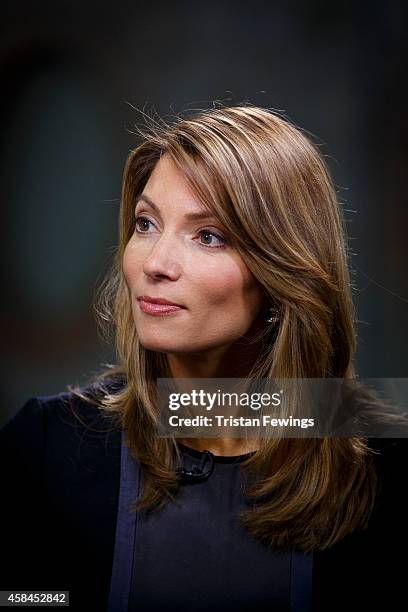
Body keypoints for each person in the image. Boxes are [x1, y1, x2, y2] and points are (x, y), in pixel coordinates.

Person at [1, 105, 407, 612]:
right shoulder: (47, 444)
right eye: (146, 223)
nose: (154, 264)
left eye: (207, 236)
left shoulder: (382, 458)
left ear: (283, 270)